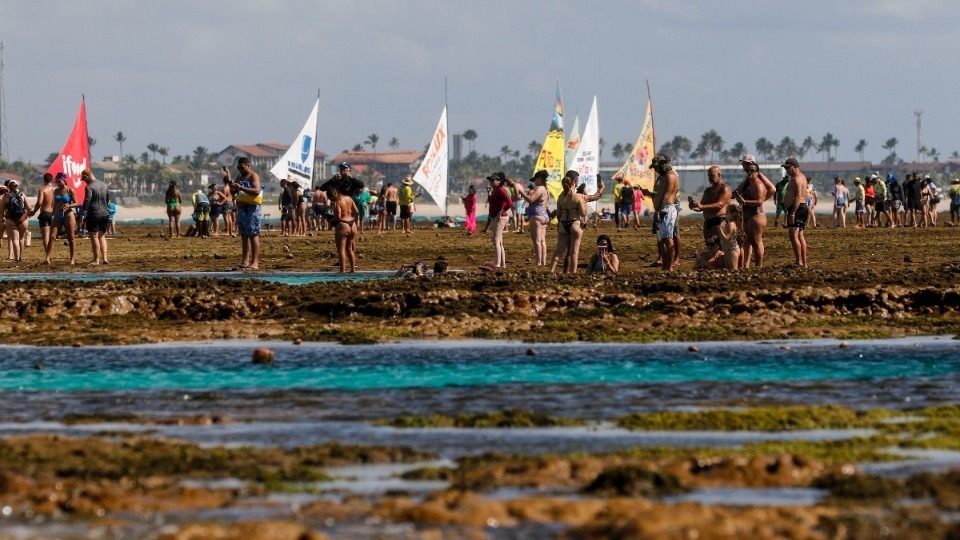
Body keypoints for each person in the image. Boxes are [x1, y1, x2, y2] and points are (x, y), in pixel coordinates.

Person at [550, 170, 604, 274]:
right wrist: (601, 188)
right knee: (574, 251)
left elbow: (558, 214)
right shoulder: (579, 197)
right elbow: (583, 212)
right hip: (574, 224)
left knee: (558, 251)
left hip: (562, 224)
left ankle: (551, 271)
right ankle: (573, 272)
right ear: (574, 182)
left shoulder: (561, 197)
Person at [731, 154, 776, 269]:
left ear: (754, 166)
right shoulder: (747, 179)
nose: (745, 167)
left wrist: (755, 201)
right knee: (746, 241)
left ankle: (758, 266)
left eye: (747, 164)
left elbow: (772, 189)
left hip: (756, 214)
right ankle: (745, 265)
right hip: (746, 212)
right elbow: (735, 192)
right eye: (744, 164)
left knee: (756, 241)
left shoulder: (759, 179)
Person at [226, 157, 263, 270]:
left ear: (247, 165)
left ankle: (254, 262)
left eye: (241, 167)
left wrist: (241, 187)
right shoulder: (239, 176)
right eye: (238, 168)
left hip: (252, 208)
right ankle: (245, 261)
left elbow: (257, 190)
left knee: (253, 234)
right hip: (242, 208)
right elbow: (233, 191)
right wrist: (233, 187)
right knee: (244, 235)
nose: (240, 170)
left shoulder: (253, 176)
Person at [511, 169, 550, 266]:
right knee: (542, 240)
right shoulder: (546, 189)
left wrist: (522, 192)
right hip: (544, 215)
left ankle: (538, 262)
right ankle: (543, 262)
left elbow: (530, 200)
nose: (534, 182)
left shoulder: (539, 189)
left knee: (536, 241)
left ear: (539, 179)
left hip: (536, 215)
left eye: (535, 180)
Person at [689, 165, 731, 243]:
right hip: (707, 221)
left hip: (719, 221)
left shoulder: (724, 188)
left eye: (712, 175)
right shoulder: (708, 190)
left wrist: (701, 206)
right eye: (708, 176)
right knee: (710, 247)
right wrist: (694, 206)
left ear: (719, 175)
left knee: (719, 247)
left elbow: (720, 205)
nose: (710, 178)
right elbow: (701, 206)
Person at [480, 172, 513, 270]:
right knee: (499, 242)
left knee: (495, 240)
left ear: (499, 181)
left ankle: (497, 264)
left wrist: (501, 212)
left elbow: (510, 203)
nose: (490, 182)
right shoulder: (495, 190)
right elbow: (491, 202)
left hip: (501, 217)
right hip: (495, 217)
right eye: (490, 180)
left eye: (492, 180)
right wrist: (489, 192)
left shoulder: (501, 190)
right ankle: (502, 264)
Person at [782, 158, 809, 268]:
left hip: (797, 208)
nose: (787, 170)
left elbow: (798, 197)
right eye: (786, 168)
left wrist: (792, 213)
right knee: (800, 236)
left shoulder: (797, 179)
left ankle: (799, 262)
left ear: (795, 167)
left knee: (794, 236)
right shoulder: (802, 177)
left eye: (788, 168)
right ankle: (804, 263)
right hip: (801, 207)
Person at [81, 169, 111, 266]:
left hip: (94, 214)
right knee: (102, 236)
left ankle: (96, 260)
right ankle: (105, 258)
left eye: (84, 179)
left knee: (94, 236)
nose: (84, 181)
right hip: (105, 214)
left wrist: (83, 213)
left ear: (86, 176)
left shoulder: (89, 187)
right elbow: (108, 200)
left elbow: (87, 200)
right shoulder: (104, 185)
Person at [49, 173, 78, 265]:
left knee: (71, 238)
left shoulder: (70, 190)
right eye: (56, 181)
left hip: (68, 215)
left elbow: (77, 203)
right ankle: (47, 258)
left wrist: (69, 205)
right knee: (52, 237)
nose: (57, 183)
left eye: (59, 181)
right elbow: (55, 204)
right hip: (58, 214)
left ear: (64, 180)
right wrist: (53, 214)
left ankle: (72, 259)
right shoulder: (56, 191)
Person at [330, 186, 358, 273]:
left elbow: (338, 217)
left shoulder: (336, 201)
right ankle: (353, 269)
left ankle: (342, 271)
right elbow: (356, 211)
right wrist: (350, 217)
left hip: (343, 225)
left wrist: (330, 220)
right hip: (352, 224)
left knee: (341, 250)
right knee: (349, 249)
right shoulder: (349, 198)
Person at [1, 179, 30, 262]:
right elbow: (29, 208)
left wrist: (2, 217)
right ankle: (21, 257)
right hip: (23, 219)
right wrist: (26, 216)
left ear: (8, 187)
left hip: (11, 219)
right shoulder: (22, 194)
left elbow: (1, 209)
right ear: (17, 186)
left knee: (15, 239)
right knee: (21, 238)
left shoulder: (6, 196)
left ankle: (16, 258)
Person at [31, 173, 57, 263]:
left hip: (45, 213)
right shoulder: (56, 190)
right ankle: (49, 255)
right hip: (54, 214)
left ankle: (48, 257)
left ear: (44, 180)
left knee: (46, 237)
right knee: (52, 237)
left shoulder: (43, 189)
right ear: (52, 180)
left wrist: (34, 211)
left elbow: (39, 202)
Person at [717, 203, 742, 270]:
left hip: (732, 250)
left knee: (733, 270)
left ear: (733, 214)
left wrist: (720, 229)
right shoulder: (732, 223)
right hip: (728, 249)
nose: (726, 214)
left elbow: (726, 238)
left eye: (727, 212)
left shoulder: (731, 224)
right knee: (729, 270)